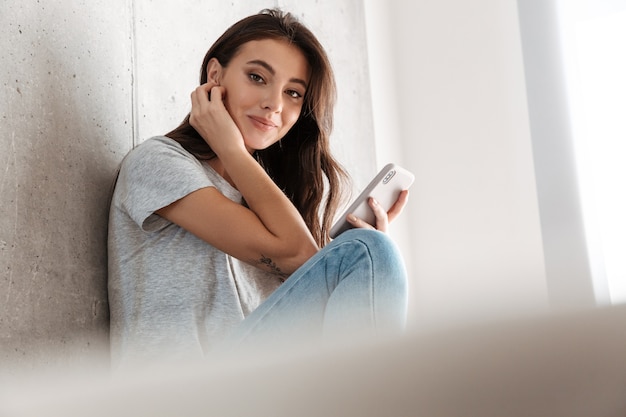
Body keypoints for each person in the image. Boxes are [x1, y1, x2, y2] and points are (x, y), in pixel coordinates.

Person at [107, 8, 409, 371]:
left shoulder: (268, 204)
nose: (275, 104)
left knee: (369, 253)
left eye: (294, 93)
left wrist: (359, 278)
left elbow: (302, 264)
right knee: (369, 251)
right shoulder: (158, 162)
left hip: (258, 390)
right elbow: (296, 253)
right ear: (215, 74)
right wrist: (231, 150)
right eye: (257, 77)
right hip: (182, 392)